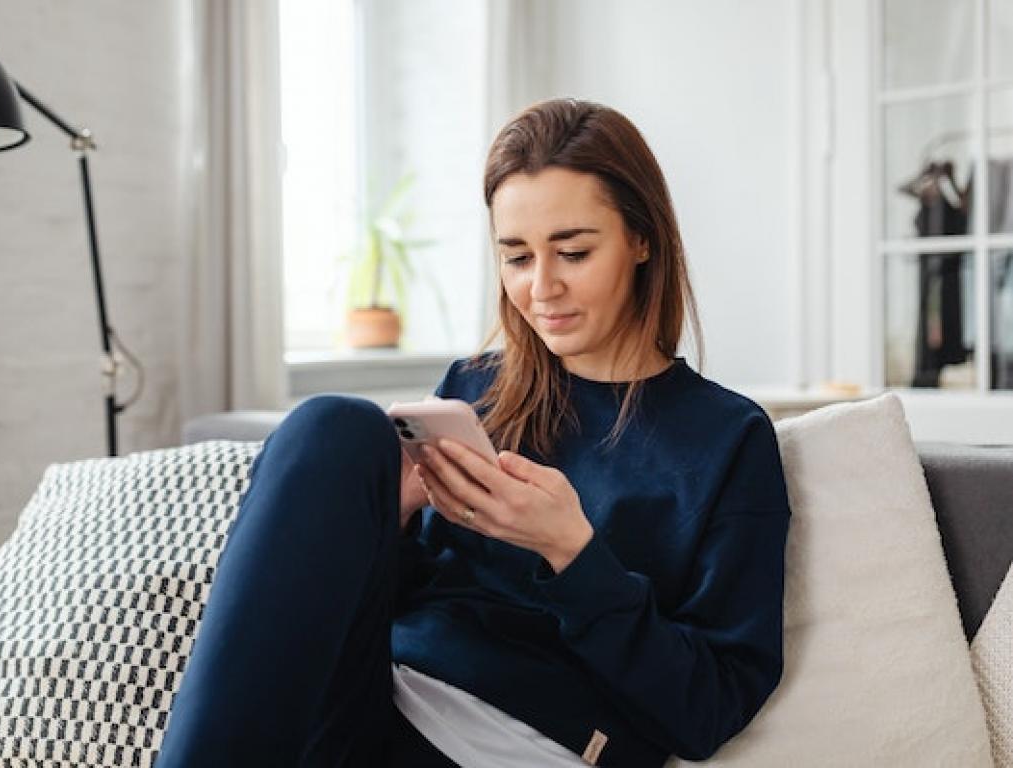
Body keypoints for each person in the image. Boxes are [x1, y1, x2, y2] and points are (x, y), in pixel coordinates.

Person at [154, 98, 791, 767]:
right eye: (516, 257)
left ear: (641, 239)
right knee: (332, 426)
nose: (541, 287)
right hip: (372, 700)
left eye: (572, 252)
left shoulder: (726, 439)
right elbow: (388, 600)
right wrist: (389, 520)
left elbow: (708, 708)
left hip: (513, 745)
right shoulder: (474, 388)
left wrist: (571, 553)